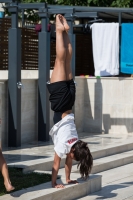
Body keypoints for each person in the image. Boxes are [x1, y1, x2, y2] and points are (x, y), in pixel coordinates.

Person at [47, 14, 93, 188]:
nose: (72, 160)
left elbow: (67, 161)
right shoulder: (64, 145)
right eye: (74, 157)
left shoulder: (75, 141)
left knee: (67, 61)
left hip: (69, 101)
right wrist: (54, 183)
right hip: (60, 102)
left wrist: (67, 179)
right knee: (60, 60)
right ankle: (59, 31)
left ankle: (66, 31)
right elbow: (56, 164)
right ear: (73, 150)